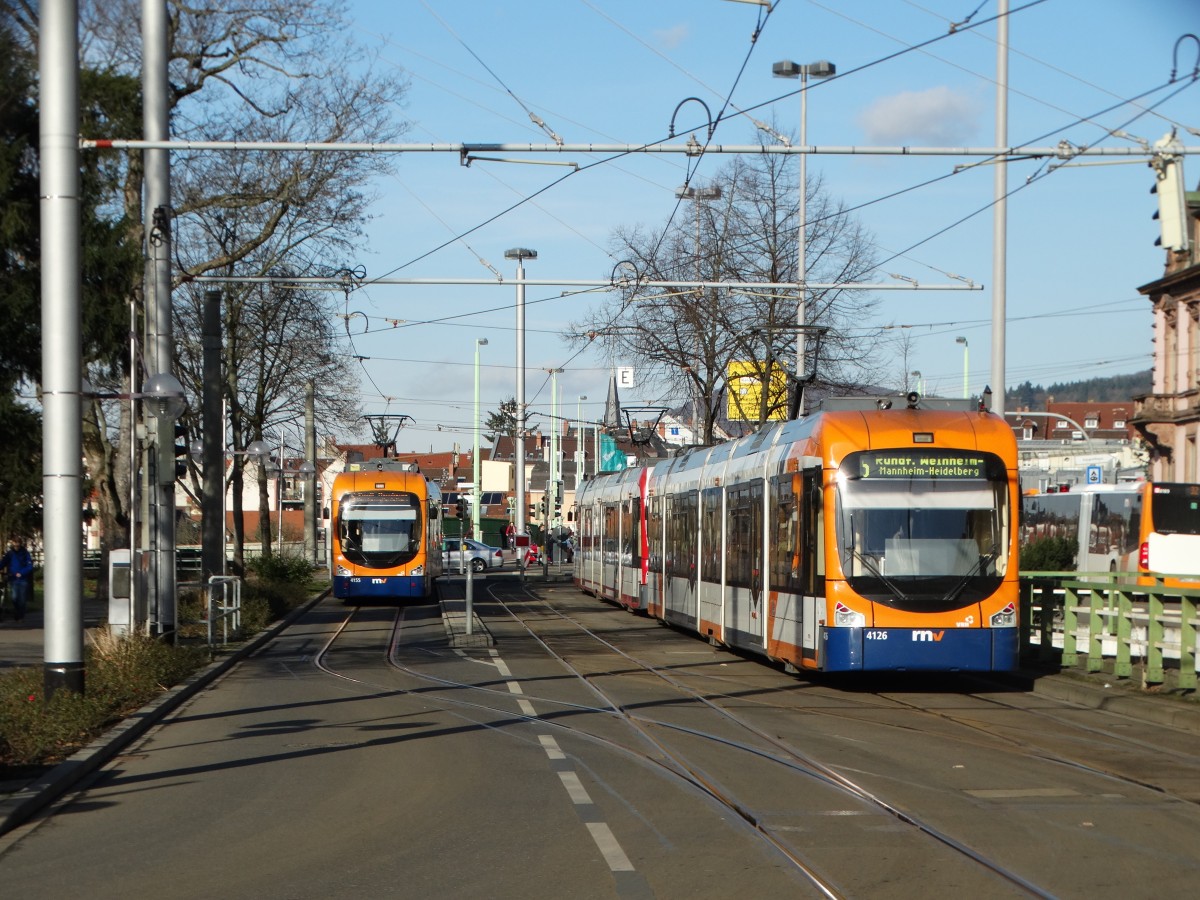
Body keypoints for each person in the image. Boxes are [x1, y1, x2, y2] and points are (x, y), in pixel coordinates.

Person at [0, 537, 34, 624]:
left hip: (23, 580)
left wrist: (21, 573)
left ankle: (20, 616)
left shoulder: (25, 553)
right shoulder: (10, 554)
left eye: (17, 543)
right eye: (14, 543)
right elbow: (3, 562)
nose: (16, 545)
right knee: (14, 598)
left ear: (20, 543)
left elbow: (29, 566)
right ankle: (17, 613)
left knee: (22, 600)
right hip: (13, 579)